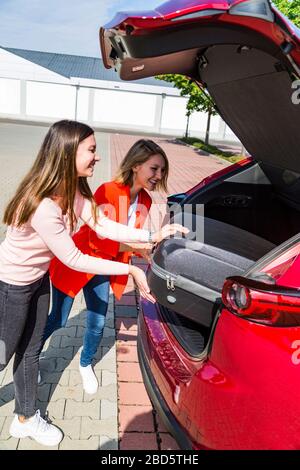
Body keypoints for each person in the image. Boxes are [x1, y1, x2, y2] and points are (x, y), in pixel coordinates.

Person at [0, 120, 187, 446]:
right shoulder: (44, 205)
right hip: (13, 286)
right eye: (91, 150)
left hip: (38, 280)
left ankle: (25, 418)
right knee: (3, 353)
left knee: (29, 351)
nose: (97, 157)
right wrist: (131, 271)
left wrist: (152, 235)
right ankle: (25, 413)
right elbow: (74, 259)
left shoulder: (70, 192)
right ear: (68, 152)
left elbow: (104, 225)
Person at [42, 139, 169, 394]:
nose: (159, 175)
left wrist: (146, 252)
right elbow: (99, 238)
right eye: (154, 168)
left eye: (162, 171)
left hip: (105, 267)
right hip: (78, 261)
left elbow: (126, 238)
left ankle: (86, 363)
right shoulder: (108, 190)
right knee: (58, 320)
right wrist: (143, 244)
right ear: (136, 166)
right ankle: (30, 360)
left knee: (98, 322)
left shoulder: (144, 199)